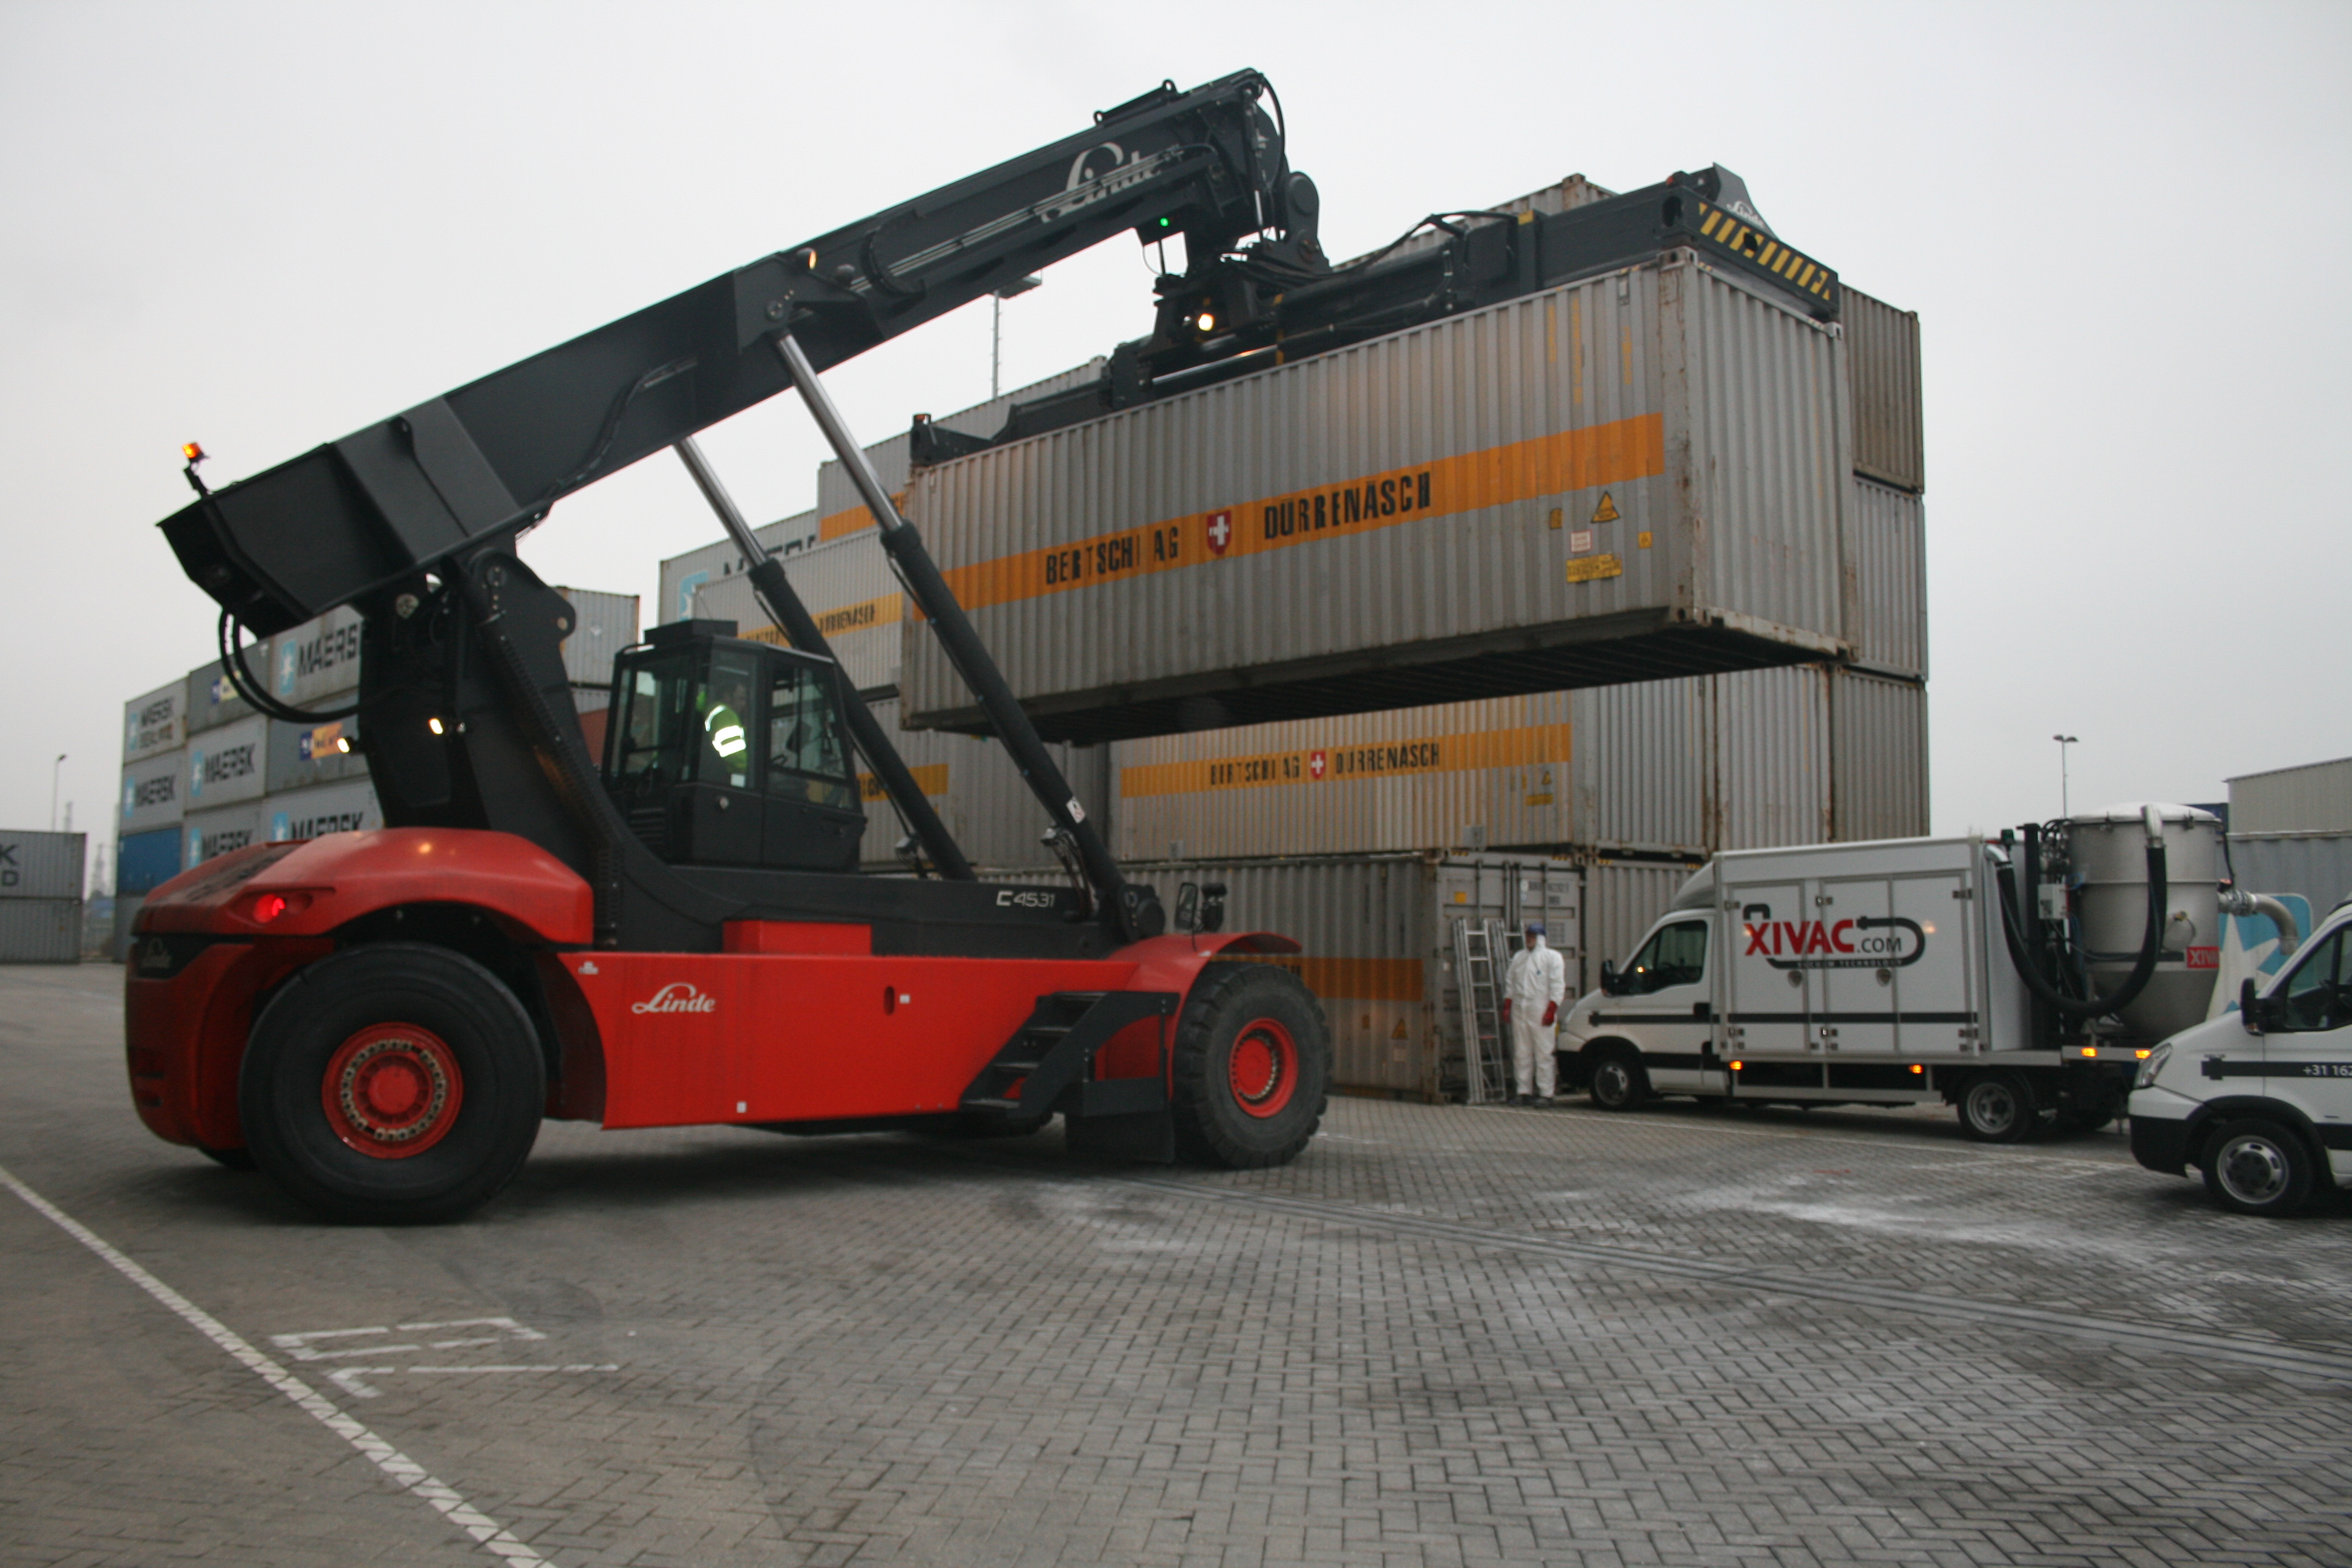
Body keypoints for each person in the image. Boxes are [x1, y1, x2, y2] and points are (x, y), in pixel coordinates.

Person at [1500, 920, 1566, 1105]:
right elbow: (1510, 982)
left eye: (1532, 936)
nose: (1529, 939)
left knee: (1543, 1052)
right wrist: (1508, 1005)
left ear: (1541, 938)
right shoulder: (1519, 957)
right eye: (1528, 935)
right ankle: (1524, 1091)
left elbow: (1557, 985)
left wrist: (1551, 1009)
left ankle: (1546, 1093)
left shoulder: (1552, 957)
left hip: (1540, 1006)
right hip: (1521, 1008)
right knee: (1522, 1052)